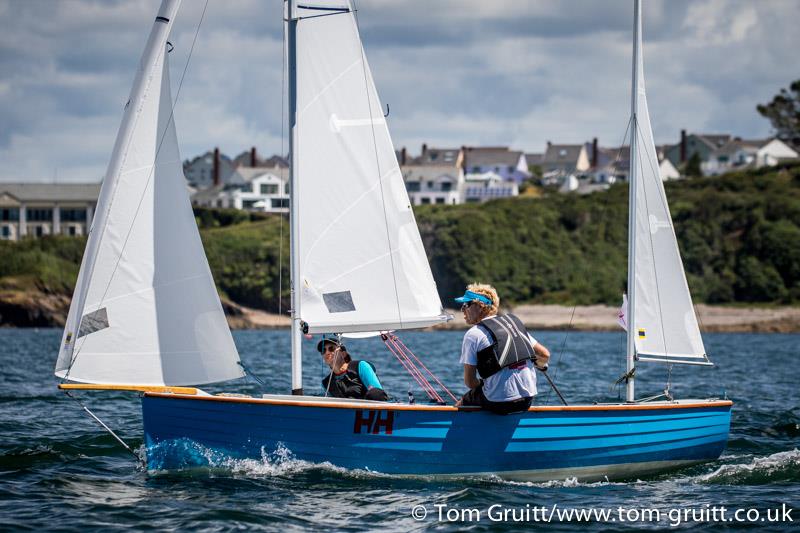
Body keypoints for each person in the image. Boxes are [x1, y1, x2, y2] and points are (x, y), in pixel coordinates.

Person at [454, 283, 550, 414]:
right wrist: (540, 365)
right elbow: (544, 355)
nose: (462, 310)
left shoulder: (473, 334)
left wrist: (485, 386)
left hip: (499, 403)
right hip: (527, 400)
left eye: (466, 305)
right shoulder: (513, 325)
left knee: (462, 403)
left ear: (480, 306)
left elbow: (470, 382)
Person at [318, 338, 389, 401]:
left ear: (343, 354)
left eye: (331, 349)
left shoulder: (361, 366)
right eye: (323, 350)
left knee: (375, 393)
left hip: (368, 411)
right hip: (344, 412)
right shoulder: (326, 383)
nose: (327, 353)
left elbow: (378, 394)